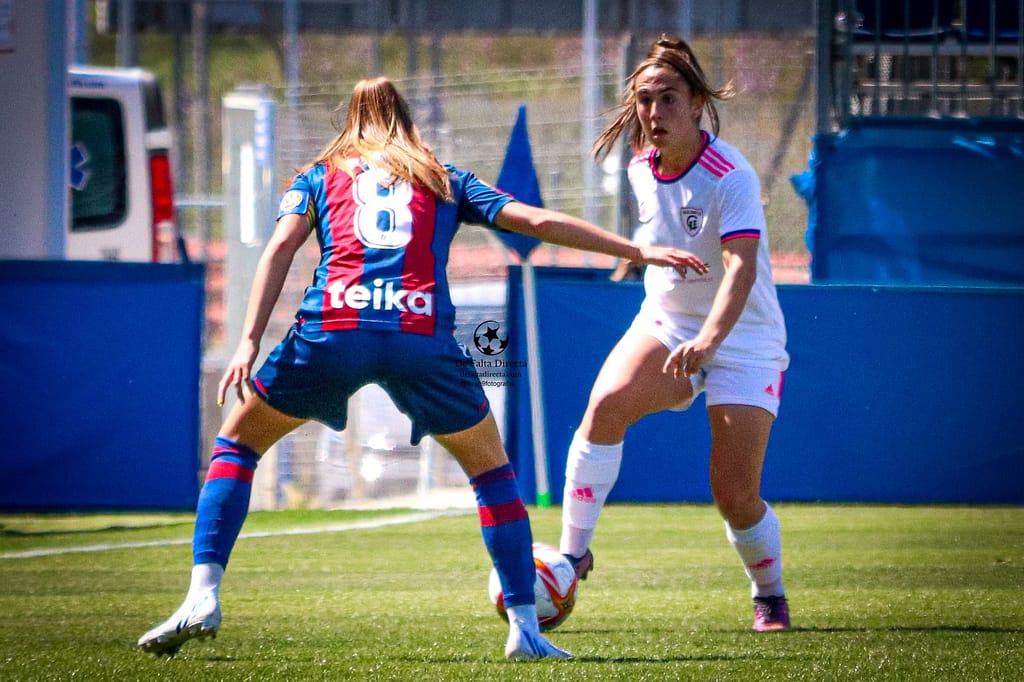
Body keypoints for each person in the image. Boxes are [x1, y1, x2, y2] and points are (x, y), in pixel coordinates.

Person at [136, 76, 704, 661]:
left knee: (237, 446)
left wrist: (248, 340)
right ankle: (525, 629)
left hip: (334, 329)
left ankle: (203, 593)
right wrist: (637, 251)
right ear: (406, 121)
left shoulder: (319, 175)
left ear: (350, 124)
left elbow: (280, 248)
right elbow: (532, 221)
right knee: (492, 474)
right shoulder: (442, 177)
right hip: (419, 338)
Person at [558, 35, 792, 632]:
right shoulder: (639, 166)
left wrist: (711, 341)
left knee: (734, 496)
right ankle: (570, 556)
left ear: (696, 105)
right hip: (666, 324)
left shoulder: (730, 174)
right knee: (604, 405)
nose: (654, 112)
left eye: (668, 98)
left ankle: (769, 592)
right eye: (645, 100)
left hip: (744, 340)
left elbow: (740, 268)